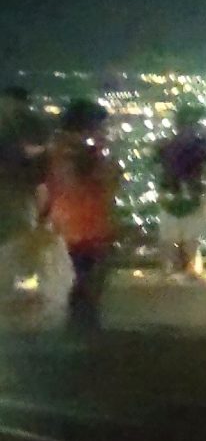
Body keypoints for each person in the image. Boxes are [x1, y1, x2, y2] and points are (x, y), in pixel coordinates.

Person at [42, 99, 119, 332]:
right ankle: (82, 333)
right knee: (86, 285)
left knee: (76, 284)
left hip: (66, 224)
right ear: (89, 125)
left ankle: (77, 332)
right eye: (101, 125)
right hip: (86, 226)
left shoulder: (56, 149)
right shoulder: (81, 153)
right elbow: (105, 180)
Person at [153, 104, 206, 278]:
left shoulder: (165, 145)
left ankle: (167, 271)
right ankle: (190, 271)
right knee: (191, 236)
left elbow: (158, 168)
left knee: (168, 236)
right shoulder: (201, 145)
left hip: (169, 194)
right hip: (193, 193)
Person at [1, 86, 47, 290]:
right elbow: (39, 161)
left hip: (16, 190)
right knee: (18, 246)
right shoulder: (28, 121)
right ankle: (19, 291)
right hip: (19, 194)